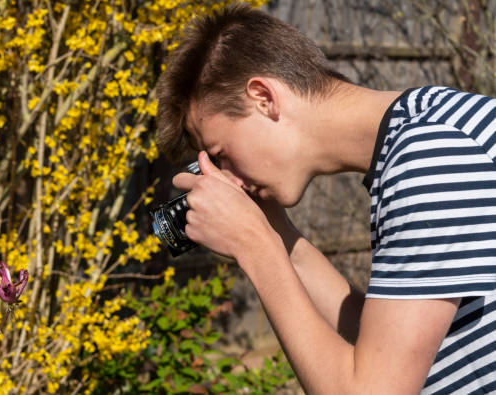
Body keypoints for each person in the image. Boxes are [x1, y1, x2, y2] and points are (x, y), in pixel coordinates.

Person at [155, 3, 496, 394]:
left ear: (264, 97)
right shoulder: (431, 130)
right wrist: (278, 235)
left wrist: (255, 246)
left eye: (220, 154)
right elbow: (377, 339)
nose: (228, 177)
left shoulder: (431, 156)